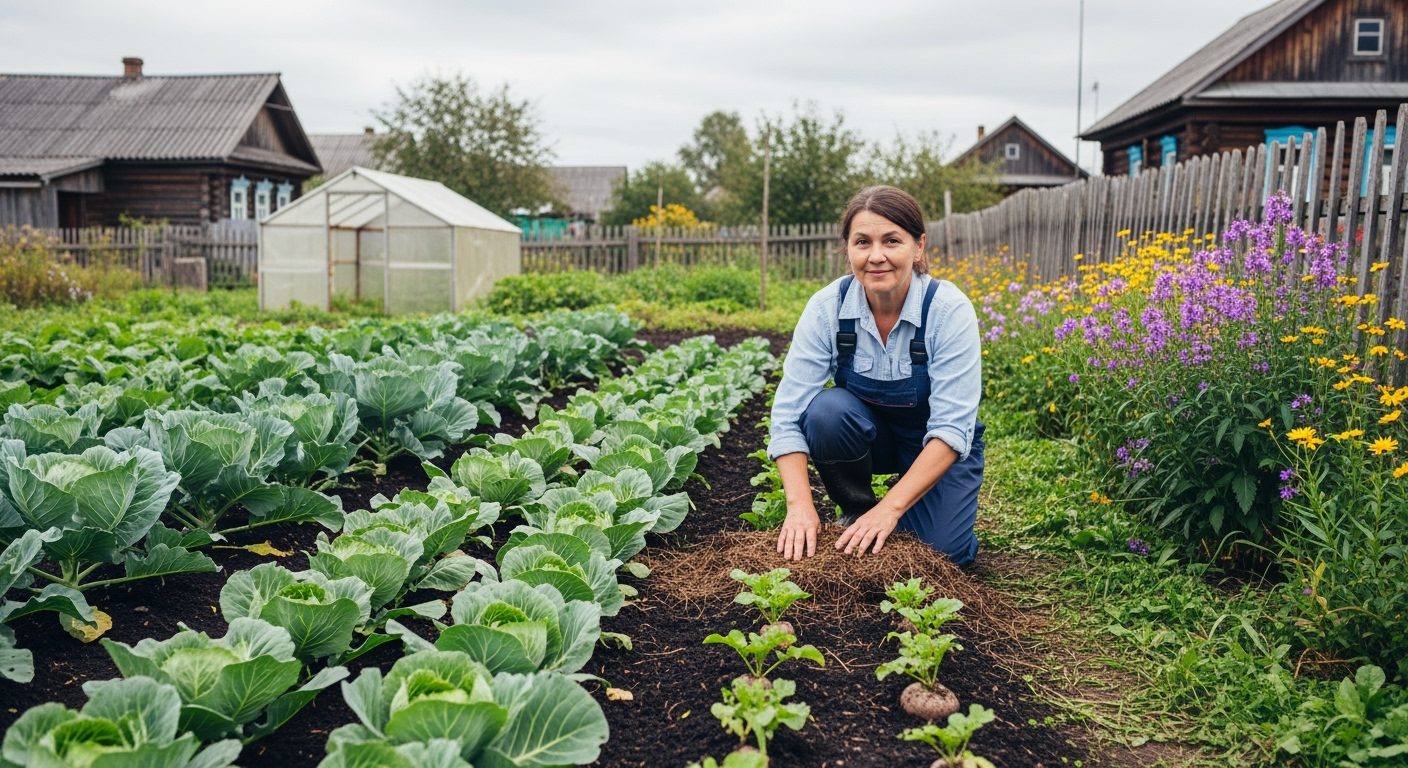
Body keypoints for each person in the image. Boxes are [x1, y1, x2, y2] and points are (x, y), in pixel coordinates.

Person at [769, 185, 984, 565]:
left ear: (919, 246)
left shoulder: (947, 310)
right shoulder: (826, 309)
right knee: (826, 411)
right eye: (863, 242)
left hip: (933, 447)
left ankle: (891, 516)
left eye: (892, 240)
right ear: (847, 249)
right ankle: (857, 510)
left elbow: (952, 429)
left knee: (942, 554)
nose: (876, 256)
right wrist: (799, 505)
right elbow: (788, 416)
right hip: (870, 438)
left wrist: (892, 509)